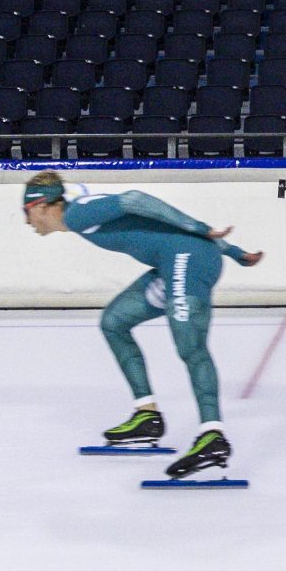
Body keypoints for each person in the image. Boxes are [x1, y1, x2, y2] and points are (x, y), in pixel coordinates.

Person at [21, 171, 264, 481]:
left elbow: (135, 199)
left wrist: (202, 229)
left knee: (190, 346)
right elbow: (156, 222)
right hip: (175, 261)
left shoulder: (79, 213)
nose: (27, 223)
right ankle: (146, 415)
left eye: (26, 213)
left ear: (40, 206)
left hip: (187, 259)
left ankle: (212, 435)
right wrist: (236, 253)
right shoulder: (80, 215)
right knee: (114, 322)